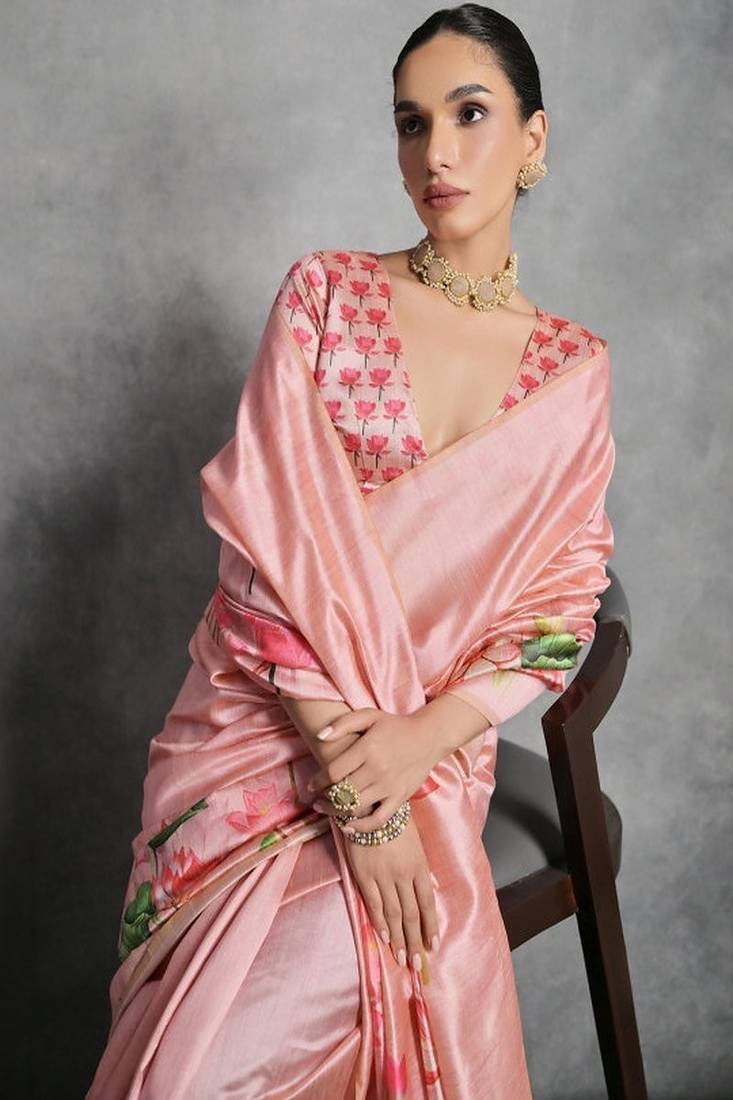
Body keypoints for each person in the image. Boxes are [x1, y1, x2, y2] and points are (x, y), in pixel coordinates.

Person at [86, 5, 615, 1098]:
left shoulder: (571, 373)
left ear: (534, 138)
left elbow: (560, 607)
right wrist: (364, 806)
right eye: (411, 123)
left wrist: (418, 743)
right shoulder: (328, 296)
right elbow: (262, 562)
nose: (436, 153)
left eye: (469, 114)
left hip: (424, 752)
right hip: (264, 730)